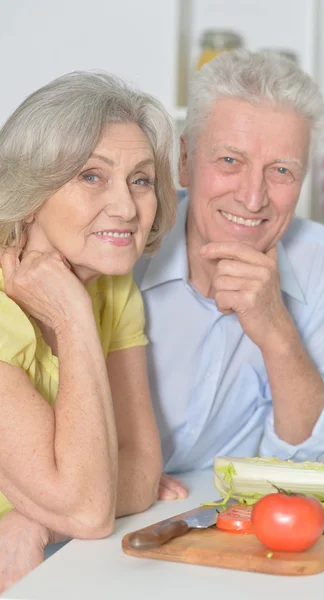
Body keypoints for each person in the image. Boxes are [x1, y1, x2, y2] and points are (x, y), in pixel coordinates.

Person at [135, 50, 324, 499]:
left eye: (281, 171)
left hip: (229, 524)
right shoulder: (128, 248)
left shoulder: (321, 261)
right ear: (184, 161)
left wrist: (277, 331)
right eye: (229, 161)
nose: (254, 197)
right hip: (105, 518)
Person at [0, 71, 176, 591]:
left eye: (140, 180)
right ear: (28, 190)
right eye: (91, 176)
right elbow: (88, 510)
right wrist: (74, 320)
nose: (126, 206)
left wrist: (36, 516)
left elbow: (141, 467)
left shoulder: (113, 290)